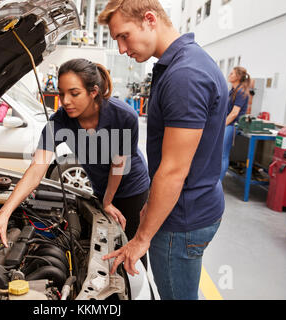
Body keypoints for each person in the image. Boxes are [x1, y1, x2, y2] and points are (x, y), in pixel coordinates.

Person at [97, 0, 229, 300]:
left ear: (149, 19)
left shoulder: (184, 76)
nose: (120, 49)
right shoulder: (186, 62)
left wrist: (141, 238)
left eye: (123, 36)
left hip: (180, 221)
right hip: (191, 207)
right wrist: (150, 210)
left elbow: (173, 170)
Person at [0, 59, 151, 266]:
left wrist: (108, 201)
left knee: (131, 253)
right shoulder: (59, 122)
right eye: (61, 93)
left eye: (74, 93)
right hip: (101, 187)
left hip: (131, 188)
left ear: (93, 92)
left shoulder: (123, 116)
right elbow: (37, 170)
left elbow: (119, 165)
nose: (65, 101)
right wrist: (4, 213)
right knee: (106, 252)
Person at [220, 67, 251, 181]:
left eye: (232, 73)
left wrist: (221, 126)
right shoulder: (233, 91)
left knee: (223, 155)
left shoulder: (241, 92)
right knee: (219, 155)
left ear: (238, 77)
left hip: (231, 126)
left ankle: (218, 182)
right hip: (227, 124)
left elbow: (234, 113)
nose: (229, 74)